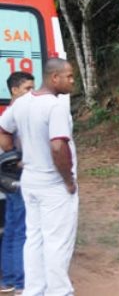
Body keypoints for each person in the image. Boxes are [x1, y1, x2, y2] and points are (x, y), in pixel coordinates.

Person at [0, 59, 77, 296]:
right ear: (54, 78)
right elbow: (57, 147)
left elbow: (3, 130)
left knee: (33, 239)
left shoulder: (23, 103)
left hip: (30, 179)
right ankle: (59, 292)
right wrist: (68, 180)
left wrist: (17, 156)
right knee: (57, 242)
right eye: (69, 76)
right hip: (53, 183)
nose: (72, 81)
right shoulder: (55, 107)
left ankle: (34, 290)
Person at [0, 72, 34, 295]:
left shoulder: (14, 111)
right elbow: (4, 138)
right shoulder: (16, 112)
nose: (32, 93)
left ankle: (9, 279)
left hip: (9, 177)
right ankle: (20, 282)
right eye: (27, 89)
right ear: (14, 90)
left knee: (12, 227)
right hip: (17, 177)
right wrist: (17, 158)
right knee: (21, 228)